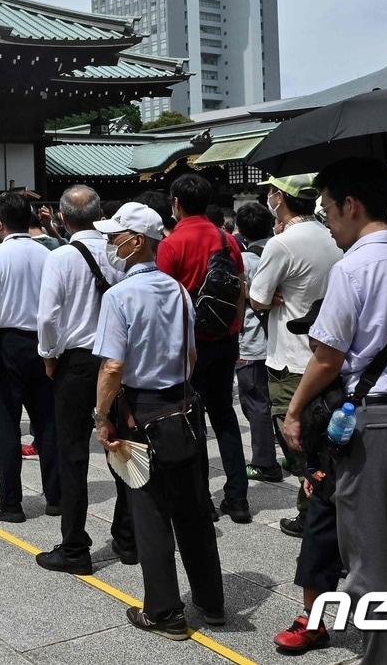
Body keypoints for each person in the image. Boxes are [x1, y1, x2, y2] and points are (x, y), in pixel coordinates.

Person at [283, 157, 387, 665]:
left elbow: (328, 357)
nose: (330, 224)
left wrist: (294, 411)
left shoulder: (353, 268)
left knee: (372, 562)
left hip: (378, 425)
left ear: (351, 206)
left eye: (329, 212)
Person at [92, 202, 224, 641]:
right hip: (182, 406)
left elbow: (112, 366)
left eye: (116, 237)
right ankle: (211, 600)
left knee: (148, 511)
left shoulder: (118, 296)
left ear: (137, 241)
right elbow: (190, 355)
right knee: (191, 509)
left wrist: (100, 417)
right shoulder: (177, 289)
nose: (111, 244)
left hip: (139, 409)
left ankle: (165, 611)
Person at [34, 186, 136, 575]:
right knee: (121, 447)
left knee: (72, 452)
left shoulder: (60, 256)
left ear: (62, 218)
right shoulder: (118, 253)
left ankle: (75, 545)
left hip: (75, 362)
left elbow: (47, 318)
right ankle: (128, 538)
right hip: (117, 360)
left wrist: (48, 355)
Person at [249, 174, 342, 533]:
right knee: (327, 437)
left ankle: (313, 510)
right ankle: (323, 504)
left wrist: (265, 296)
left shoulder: (283, 243)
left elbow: (258, 297)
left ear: (281, 198)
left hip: (289, 354)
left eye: (273, 192)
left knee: (297, 437)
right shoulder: (333, 235)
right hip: (328, 352)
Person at [158, 173, 251, 524]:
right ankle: (238, 497)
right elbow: (239, 288)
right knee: (224, 414)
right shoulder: (228, 241)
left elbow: (164, 299)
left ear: (176, 203)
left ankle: (201, 500)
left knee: (191, 419)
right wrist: (235, 329)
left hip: (188, 344)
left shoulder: (172, 244)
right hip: (225, 339)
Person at [0, 191, 58, 521]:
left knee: (6, 426)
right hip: (44, 343)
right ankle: (56, 496)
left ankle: (11, 502)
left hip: (7, 344)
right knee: (46, 423)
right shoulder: (47, 253)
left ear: (0, 223)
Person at [271, 301, 341, 655]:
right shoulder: (312, 379)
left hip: (362, 473)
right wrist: (311, 471)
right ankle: (312, 620)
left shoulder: (356, 374)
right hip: (327, 475)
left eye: (317, 333)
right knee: (315, 544)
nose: (312, 341)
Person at [233, 201, 280, 481]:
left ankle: (264, 462)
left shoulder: (245, 260)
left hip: (252, 341)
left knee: (256, 403)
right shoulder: (283, 252)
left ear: (241, 229)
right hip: (283, 340)